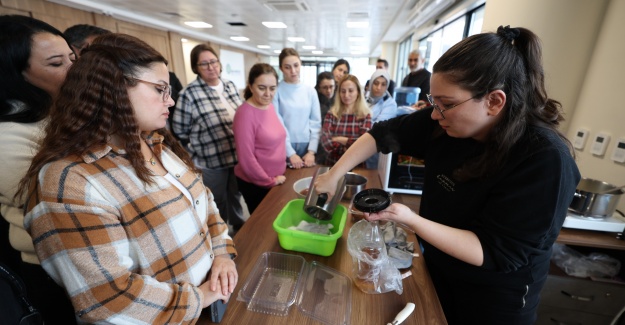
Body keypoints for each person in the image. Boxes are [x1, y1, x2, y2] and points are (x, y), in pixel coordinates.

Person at [314, 26, 580, 324]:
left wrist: (410, 219)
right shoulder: (444, 123)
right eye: (434, 101)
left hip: (492, 300)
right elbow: (382, 134)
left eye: (447, 105)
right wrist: (335, 174)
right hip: (438, 268)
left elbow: (493, 252)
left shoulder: (544, 160)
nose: (434, 114)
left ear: (494, 101)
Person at [18, 33, 238, 324]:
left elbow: (204, 199)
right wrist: (198, 298)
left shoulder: (154, 143)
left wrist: (221, 253)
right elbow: (109, 299)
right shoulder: (71, 181)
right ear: (114, 90)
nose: (170, 100)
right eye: (160, 89)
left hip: (210, 303)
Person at [0, 15, 77, 325]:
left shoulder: (62, 113)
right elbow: (65, 204)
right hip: (54, 270)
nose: (75, 70)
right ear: (17, 76)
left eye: (73, 58)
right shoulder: (7, 138)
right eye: (57, 64)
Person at [173, 44, 246, 233]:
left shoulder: (230, 86)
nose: (211, 67)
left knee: (235, 195)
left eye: (213, 62)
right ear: (196, 68)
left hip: (237, 156)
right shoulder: (188, 94)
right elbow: (180, 130)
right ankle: (219, 235)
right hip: (211, 160)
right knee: (216, 200)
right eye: (204, 64)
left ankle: (237, 225)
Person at [233, 63, 287, 214]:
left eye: (272, 88)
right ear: (250, 86)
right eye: (262, 88)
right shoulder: (245, 114)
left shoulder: (269, 107)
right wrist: (270, 181)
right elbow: (246, 159)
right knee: (263, 229)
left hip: (276, 179)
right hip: (257, 184)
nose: (268, 94)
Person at [273, 48, 321, 169]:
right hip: (283, 145)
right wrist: (290, 153)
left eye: (296, 65)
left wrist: (311, 152)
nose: (293, 71)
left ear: (301, 65)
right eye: (287, 67)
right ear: (281, 69)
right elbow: (277, 124)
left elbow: (316, 123)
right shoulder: (276, 90)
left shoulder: (310, 91)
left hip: (307, 146)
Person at [320, 75, 372, 167]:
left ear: (358, 92)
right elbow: (326, 142)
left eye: (351, 91)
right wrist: (347, 147)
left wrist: (341, 139)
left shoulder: (365, 115)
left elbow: (364, 145)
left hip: (356, 166)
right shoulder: (332, 114)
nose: (346, 95)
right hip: (333, 165)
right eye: (343, 91)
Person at [364, 69, 398, 169]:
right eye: (376, 83)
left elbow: (377, 127)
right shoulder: (362, 98)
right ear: (371, 83)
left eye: (383, 84)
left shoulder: (390, 104)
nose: (379, 88)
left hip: (374, 148)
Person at [315, 71, 335, 165]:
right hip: (318, 146)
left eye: (331, 86)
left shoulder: (338, 101)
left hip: (334, 145)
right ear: (319, 88)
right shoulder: (315, 102)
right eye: (325, 87)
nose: (329, 91)